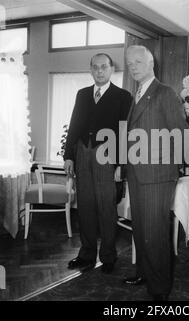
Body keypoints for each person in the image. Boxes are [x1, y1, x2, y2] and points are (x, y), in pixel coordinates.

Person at [123, 45, 189, 301]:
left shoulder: (165, 93)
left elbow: (182, 135)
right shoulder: (137, 93)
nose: (133, 67)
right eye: (130, 64)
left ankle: (160, 287)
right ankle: (143, 272)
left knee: (156, 233)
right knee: (140, 229)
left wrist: (164, 165)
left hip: (157, 176)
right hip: (137, 174)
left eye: (138, 62)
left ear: (151, 64)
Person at [64, 53, 132, 273]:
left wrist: (121, 164)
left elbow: (125, 131)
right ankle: (86, 255)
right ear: (91, 70)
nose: (99, 71)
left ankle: (108, 257)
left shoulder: (123, 96)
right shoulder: (82, 94)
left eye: (104, 67)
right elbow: (74, 125)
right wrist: (68, 156)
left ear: (112, 69)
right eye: (95, 67)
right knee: (85, 208)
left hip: (108, 157)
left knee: (106, 209)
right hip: (82, 153)